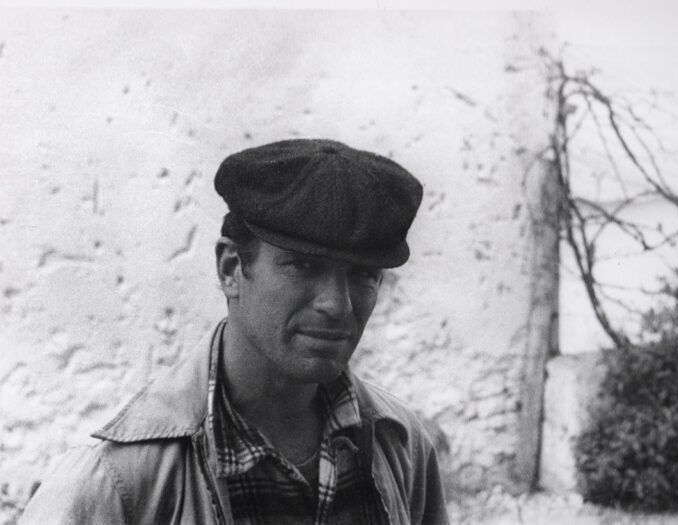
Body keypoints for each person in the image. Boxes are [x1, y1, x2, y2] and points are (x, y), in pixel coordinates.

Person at [21, 139, 449, 524]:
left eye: (363, 274)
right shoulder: (114, 485)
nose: (338, 305)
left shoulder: (402, 446)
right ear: (230, 269)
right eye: (304, 265)